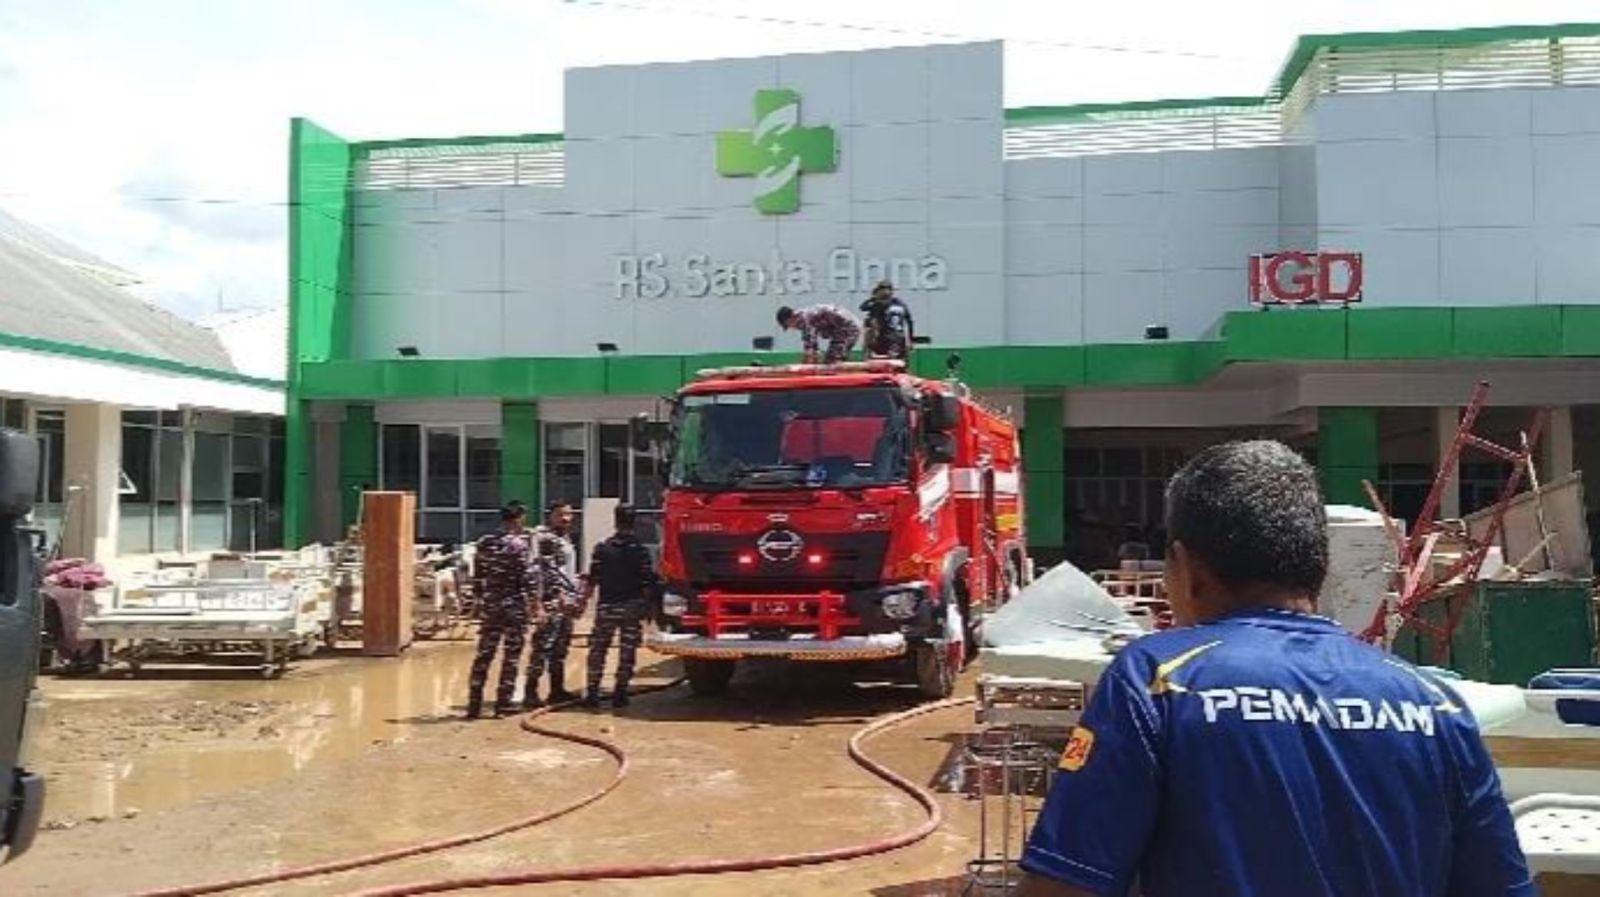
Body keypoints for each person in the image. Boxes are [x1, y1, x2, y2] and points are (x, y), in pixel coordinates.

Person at [1018, 440, 1533, 897]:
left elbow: (1062, 885)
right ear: (1319, 567)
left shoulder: (1157, 680)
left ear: (1187, 568)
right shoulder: (1433, 705)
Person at [466, 501, 539, 719]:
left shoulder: (484, 542)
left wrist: (479, 600)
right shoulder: (519, 545)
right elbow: (528, 578)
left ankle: (474, 704)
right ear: (519, 519)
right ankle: (503, 704)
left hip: (491, 605)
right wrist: (536, 604)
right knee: (511, 656)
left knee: (484, 654)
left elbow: (477, 576)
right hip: (513, 605)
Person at [583, 503, 660, 710]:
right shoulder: (640, 551)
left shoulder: (602, 548)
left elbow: (592, 580)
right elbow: (647, 583)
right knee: (627, 652)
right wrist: (650, 611)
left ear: (615, 521)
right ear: (633, 522)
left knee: (598, 650)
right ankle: (620, 693)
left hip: (607, 607)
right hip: (631, 608)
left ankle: (592, 693)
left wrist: (582, 603)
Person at [523, 500, 581, 708]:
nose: (566, 518)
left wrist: (575, 595)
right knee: (542, 648)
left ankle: (557, 690)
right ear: (550, 515)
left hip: (566, 600)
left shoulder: (564, 538)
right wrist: (537, 603)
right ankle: (530, 692)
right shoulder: (544, 538)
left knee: (560, 648)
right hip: (551, 601)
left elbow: (566, 572)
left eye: (569, 514)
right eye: (560, 514)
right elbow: (540, 572)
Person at [776, 304, 861, 365]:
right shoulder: (805, 316)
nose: (792, 328)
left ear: (791, 318)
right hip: (843, 328)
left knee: (833, 360)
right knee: (832, 357)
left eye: (788, 325)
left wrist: (807, 363)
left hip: (847, 328)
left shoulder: (805, 319)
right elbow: (812, 344)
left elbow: (810, 347)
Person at [858, 280, 915, 361]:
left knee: (881, 362)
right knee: (898, 362)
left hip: (884, 337)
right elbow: (910, 322)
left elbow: (863, 307)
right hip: (900, 337)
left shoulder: (879, 304)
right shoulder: (900, 303)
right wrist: (910, 339)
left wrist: (873, 298)